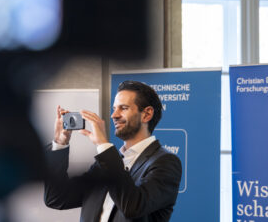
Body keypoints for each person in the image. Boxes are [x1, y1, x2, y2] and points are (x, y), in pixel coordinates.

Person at [44, 80, 182, 222]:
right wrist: (60, 143)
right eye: (114, 109)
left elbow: (132, 207)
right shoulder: (105, 164)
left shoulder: (166, 162)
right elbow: (57, 198)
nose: (114, 115)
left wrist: (103, 145)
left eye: (123, 108)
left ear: (146, 114)